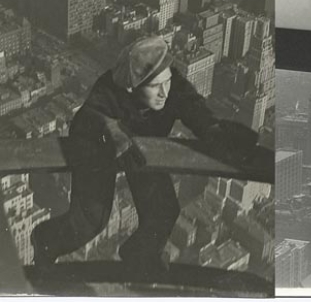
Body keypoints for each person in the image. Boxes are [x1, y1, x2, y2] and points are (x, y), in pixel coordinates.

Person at [31, 36, 259, 274]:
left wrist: (214, 130)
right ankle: (45, 240)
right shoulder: (110, 88)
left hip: (142, 151)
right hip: (103, 150)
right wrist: (110, 128)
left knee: (164, 210)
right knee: (91, 221)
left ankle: (139, 253)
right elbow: (88, 116)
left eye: (167, 82)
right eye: (154, 86)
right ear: (133, 86)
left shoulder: (173, 85)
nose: (164, 92)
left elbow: (194, 108)